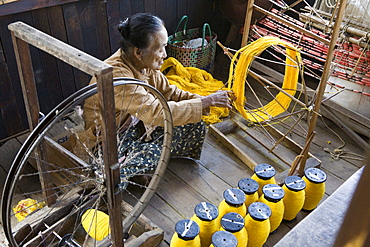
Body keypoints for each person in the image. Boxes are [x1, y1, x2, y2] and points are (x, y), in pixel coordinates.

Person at [79, 13, 233, 186]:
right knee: (114, 175)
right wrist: (206, 102)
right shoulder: (118, 76)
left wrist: (204, 99)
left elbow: (170, 93)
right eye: (160, 49)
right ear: (139, 52)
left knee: (193, 122)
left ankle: (137, 167)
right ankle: (126, 172)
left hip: (133, 126)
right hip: (109, 140)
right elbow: (156, 113)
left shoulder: (142, 64)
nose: (165, 55)